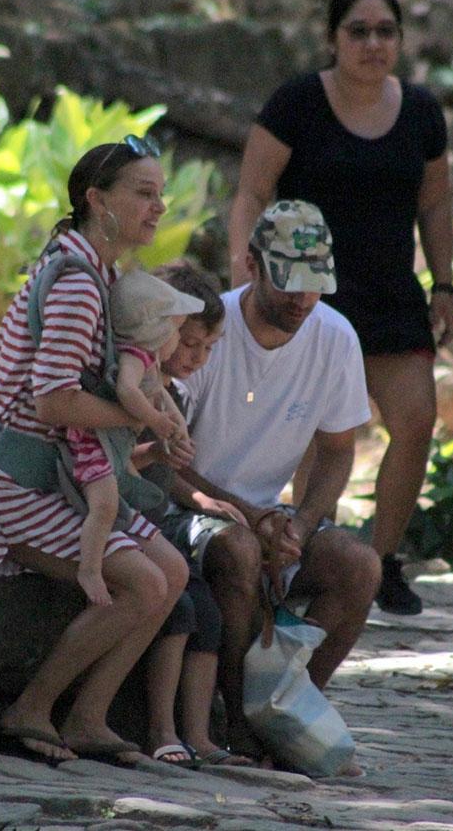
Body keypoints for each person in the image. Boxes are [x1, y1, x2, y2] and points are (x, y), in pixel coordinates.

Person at [0, 136, 189, 765]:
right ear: (96, 200)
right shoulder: (81, 284)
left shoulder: (94, 271)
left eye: (160, 194)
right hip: (16, 485)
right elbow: (53, 401)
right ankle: (29, 711)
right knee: (141, 583)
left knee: (174, 571)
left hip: (63, 478)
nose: (158, 207)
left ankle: (88, 717)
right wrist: (147, 423)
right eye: (144, 192)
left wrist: (152, 413)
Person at [227, 0, 453, 616]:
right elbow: (250, 192)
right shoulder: (296, 104)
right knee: (311, 434)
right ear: (333, 38)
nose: (373, 43)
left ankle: (381, 560)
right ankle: (302, 554)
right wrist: (247, 273)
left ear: (401, 40)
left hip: (391, 294)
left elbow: (435, 204)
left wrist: (446, 283)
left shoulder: (421, 112)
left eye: (386, 31)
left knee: (414, 424)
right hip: (306, 297)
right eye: (358, 30)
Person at [170, 200, 381, 763]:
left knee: (359, 565)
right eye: (288, 283)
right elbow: (163, 462)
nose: (302, 300)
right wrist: (249, 516)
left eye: (314, 286)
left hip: (270, 515)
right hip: (192, 507)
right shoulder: (208, 331)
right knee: (238, 549)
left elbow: (338, 450)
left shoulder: (335, 338)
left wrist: (301, 523)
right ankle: (239, 721)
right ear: (251, 265)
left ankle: (290, 708)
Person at [136, 264, 256, 767]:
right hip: (127, 522)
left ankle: (200, 735)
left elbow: (169, 471)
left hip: (158, 518)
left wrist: (200, 500)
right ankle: (162, 731)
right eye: (189, 345)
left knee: (206, 611)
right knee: (179, 608)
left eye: (208, 350)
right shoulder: (137, 388)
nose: (197, 359)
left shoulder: (175, 392)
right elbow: (125, 459)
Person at [70, 268, 201, 609]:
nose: (177, 338)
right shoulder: (135, 356)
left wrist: (175, 421)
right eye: (177, 330)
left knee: (122, 501)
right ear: (155, 331)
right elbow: (129, 391)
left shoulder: (149, 361)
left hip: (116, 448)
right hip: (95, 445)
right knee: (106, 504)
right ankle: (89, 567)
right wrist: (155, 420)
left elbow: (159, 393)